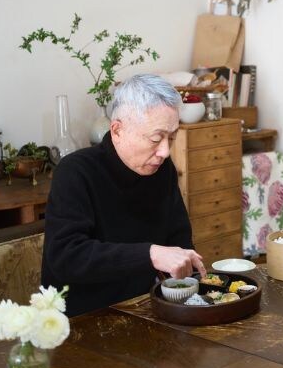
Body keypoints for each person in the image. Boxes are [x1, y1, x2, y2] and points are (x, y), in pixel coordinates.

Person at [42, 74, 206, 317]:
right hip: (83, 318)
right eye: (156, 138)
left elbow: (178, 239)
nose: (164, 151)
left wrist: (188, 275)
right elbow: (67, 257)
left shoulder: (162, 169)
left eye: (171, 138)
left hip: (144, 308)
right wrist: (151, 255)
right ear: (117, 130)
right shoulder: (75, 172)